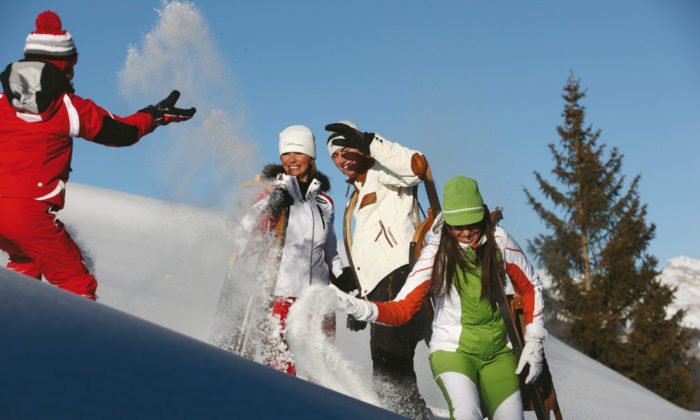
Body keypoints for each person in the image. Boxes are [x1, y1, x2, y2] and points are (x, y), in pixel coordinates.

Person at [0, 10, 196, 300]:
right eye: (71, 68)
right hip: (29, 212)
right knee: (76, 284)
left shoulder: (2, 100)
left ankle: (13, 332)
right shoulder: (66, 106)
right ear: (63, 66)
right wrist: (154, 116)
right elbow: (121, 133)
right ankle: (81, 343)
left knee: (26, 263)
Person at [333, 176, 546, 420]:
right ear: (448, 224)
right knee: (467, 414)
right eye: (458, 226)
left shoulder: (499, 240)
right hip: (452, 350)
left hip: (499, 352)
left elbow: (530, 287)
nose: (466, 232)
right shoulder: (436, 252)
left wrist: (534, 341)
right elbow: (402, 308)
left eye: (473, 225)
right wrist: (364, 309)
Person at [325, 121, 433, 419]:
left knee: (406, 370)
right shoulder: (354, 197)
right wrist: (362, 296)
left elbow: (418, 167)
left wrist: (372, 142)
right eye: (335, 156)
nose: (341, 159)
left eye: (347, 151)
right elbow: (369, 251)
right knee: (390, 374)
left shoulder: (385, 172)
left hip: (404, 278)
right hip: (380, 291)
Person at [250, 124, 349, 376]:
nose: (291, 159)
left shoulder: (324, 203)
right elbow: (248, 240)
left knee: (321, 370)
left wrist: (345, 278)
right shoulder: (271, 194)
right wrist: (271, 211)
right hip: (280, 296)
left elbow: (329, 251)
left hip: (317, 298)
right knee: (282, 369)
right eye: (286, 154)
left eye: (298, 152)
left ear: (311, 157)